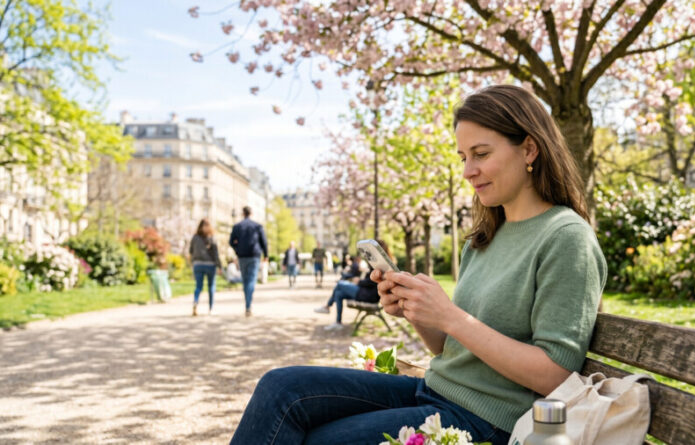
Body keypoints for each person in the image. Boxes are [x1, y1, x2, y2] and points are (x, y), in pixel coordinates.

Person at [230, 85, 607, 444]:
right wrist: (419, 313)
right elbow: (451, 350)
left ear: (529, 150)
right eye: (463, 158)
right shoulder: (486, 237)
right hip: (435, 392)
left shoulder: (566, 237)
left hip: (489, 422)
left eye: (481, 154)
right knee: (280, 388)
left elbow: (556, 375)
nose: (467, 171)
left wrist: (452, 317)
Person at [313, 240, 389, 330]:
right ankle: (338, 322)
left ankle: (327, 306)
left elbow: (373, 282)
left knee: (340, 284)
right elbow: (371, 281)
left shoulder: (380, 265)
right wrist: (360, 281)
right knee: (338, 294)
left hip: (368, 295)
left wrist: (359, 282)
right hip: (365, 291)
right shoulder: (378, 263)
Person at [229, 206, 268, 317]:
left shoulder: (237, 226)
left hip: (242, 256)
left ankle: (247, 305)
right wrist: (266, 255)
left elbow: (231, 242)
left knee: (246, 280)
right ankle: (248, 306)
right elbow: (264, 242)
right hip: (254, 256)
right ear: (251, 213)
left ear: (243, 213)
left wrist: (237, 249)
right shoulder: (257, 226)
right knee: (251, 281)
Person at [189, 218, 221, 316]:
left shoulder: (195, 237)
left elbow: (190, 251)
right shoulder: (212, 237)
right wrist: (219, 266)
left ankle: (195, 301)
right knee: (211, 286)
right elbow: (215, 253)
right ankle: (211, 308)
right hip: (210, 265)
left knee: (198, 286)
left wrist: (193, 261)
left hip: (197, 264)